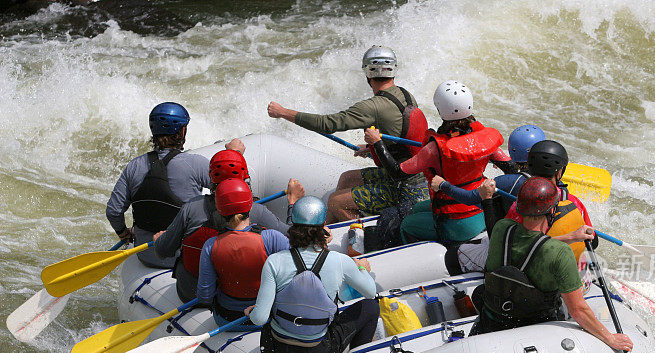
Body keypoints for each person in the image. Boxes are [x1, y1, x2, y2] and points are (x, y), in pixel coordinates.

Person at [267, 46, 429, 222]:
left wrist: (283, 112)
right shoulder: (406, 95)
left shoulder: (372, 107)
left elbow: (327, 124)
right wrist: (370, 147)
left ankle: (358, 239)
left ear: (367, 72)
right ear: (393, 70)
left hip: (402, 186)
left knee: (336, 201)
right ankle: (324, 233)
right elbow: (402, 134)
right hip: (412, 175)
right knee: (348, 178)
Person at [471, 178, 633, 353]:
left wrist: (571, 237)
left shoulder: (502, 228)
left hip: (492, 322)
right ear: (553, 210)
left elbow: (529, 244)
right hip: (536, 330)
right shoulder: (560, 253)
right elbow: (578, 310)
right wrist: (610, 338)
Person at [364, 80, 514, 244]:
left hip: (456, 223)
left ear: (440, 109)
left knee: (407, 224)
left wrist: (377, 143)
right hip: (483, 210)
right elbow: (511, 168)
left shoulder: (435, 149)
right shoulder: (485, 139)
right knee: (415, 210)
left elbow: (397, 172)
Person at [152, 148, 305, 303]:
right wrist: (293, 203)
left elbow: (163, 251)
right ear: (245, 180)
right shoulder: (256, 211)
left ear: (211, 180)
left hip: (191, 293)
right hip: (237, 297)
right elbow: (293, 236)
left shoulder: (191, 208)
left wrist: (160, 240)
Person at [245, 196, 379, 353]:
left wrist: (251, 312)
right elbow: (370, 292)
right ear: (323, 226)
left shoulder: (274, 261)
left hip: (275, 351)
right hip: (317, 352)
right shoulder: (339, 260)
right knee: (371, 306)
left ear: (293, 225)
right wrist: (362, 268)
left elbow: (259, 318)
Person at [443, 138, 597, 274]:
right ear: (560, 172)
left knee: (451, 256)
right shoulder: (575, 202)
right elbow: (593, 242)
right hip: (566, 270)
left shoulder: (522, 202)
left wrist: (487, 200)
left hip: (532, 269)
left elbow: (501, 242)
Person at [106, 102, 210, 268]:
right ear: (182, 131)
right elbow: (230, 193)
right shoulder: (196, 164)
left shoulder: (134, 166)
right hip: (185, 257)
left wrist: (123, 232)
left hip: (146, 256)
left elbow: (113, 211)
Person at [196, 179, 290, 329]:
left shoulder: (210, 245)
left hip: (227, 318)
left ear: (220, 210)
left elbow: (204, 296)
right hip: (267, 316)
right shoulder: (272, 238)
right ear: (250, 205)